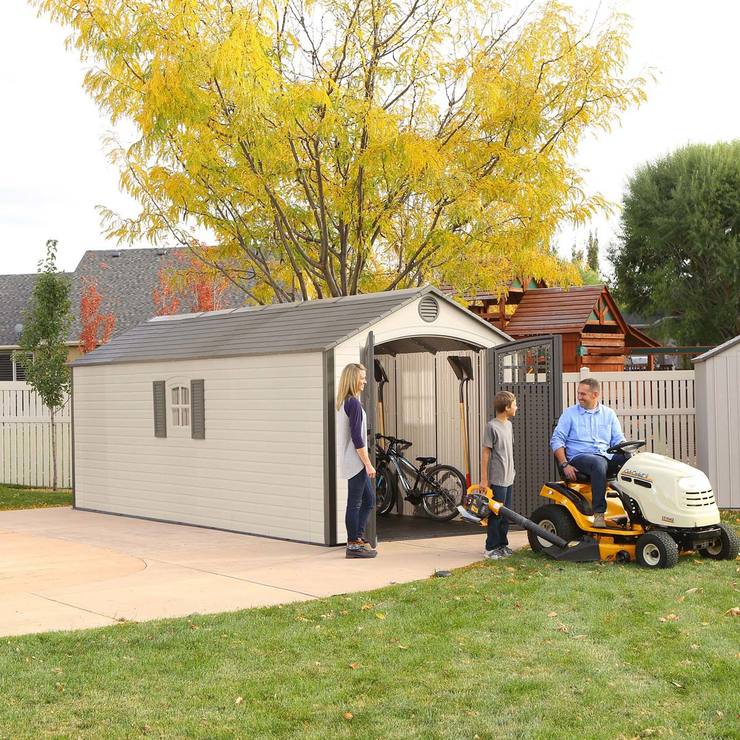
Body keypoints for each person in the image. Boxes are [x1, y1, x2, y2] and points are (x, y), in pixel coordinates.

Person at [550, 377, 627, 528]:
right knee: (598, 463)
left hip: (604, 456)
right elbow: (556, 441)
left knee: (631, 459)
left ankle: (636, 511)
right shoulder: (570, 414)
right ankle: (599, 514)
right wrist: (565, 464)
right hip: (579, 458)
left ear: (595, 395)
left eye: (583, 394)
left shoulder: (609, 414)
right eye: (578, 393)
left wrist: (626, 450)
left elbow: (618, 439)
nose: (579, 397)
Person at [336, 363, 377, 559]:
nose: (364, 381)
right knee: (355, 503)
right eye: (362, 378)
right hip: (356, 462)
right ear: (353, 379)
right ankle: (353, 543)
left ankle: (357, 539)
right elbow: (357, 438)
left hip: (354, 461)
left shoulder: (346, 402)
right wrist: (368, 463)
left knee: (369, 500)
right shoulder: (353, 403)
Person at [479, 391, 518, 560]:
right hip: (498, 479)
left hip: (509, 477)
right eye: (515, 404)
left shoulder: (508, 425)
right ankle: (490, 547)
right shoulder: (491, 426)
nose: (517, 407)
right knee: (496, 514)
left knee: (506, 514)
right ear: (507, 407)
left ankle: (502, 545)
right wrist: (484, 479)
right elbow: (486, 454)